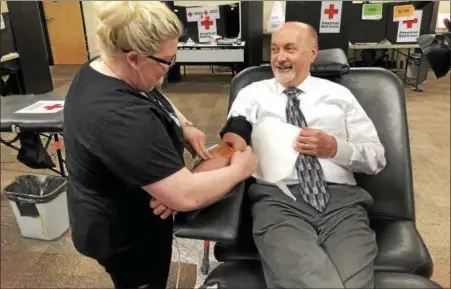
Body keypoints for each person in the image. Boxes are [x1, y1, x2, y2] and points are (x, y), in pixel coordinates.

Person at [62, 2, 257, 289]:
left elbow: (150, 90)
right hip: (125, 234)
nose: (167, 72)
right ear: (134, 58)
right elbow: (185, 196)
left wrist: (184, 125)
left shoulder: (106, 65)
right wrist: (240, 170)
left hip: (121, 204)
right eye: (167, 61)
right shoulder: (120, 117)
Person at [207, 22, 387, 288]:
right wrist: (191, 182)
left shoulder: (340, 96)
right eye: (275, 49)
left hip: (343, 205)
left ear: (312, 53)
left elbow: (376, 158)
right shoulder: (253, 94)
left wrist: (335, 148)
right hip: (279, 202)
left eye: (290, 49)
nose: (280, 58)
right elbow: (233, 140)